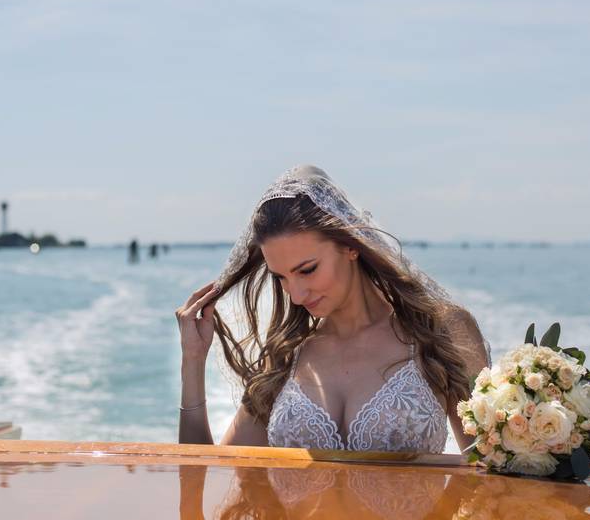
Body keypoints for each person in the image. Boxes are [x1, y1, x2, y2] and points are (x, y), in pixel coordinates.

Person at [175, 165, 490, 452]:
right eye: (281, 277)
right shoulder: (286, 358)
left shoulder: (443, 331)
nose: (296, 295)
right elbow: (210, 472)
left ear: (350, 245)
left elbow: (489, 473)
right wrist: (193, 360)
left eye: (308, 270)